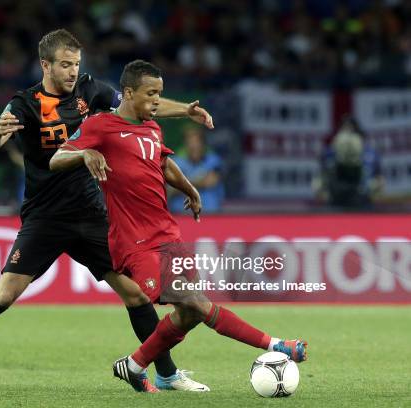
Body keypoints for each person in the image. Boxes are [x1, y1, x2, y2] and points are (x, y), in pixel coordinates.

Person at [0, 29, 214, 392]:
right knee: (5, 292)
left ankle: (167, 374)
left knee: (136, 295)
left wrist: (184, 110)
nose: (72, 71)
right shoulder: (25, 102)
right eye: (64, 64)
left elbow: (141, 102)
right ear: (45, 64)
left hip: (93, 214)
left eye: (75, 64)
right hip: (45, 217)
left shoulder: (92, 92)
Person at [50, 60, 307, 393]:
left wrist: (190, 189)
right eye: (151, 94)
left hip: (168, 234)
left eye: (160, 94)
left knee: (190, 313)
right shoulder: (101, 125)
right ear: (128, 93)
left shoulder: (153, 129)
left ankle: (133, 365)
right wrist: (83, 156)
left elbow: (163, 164)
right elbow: (57, 158)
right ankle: (274, 345)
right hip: (135, 242)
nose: (156, 101)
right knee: (194, 302)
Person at [168, 126, 224, 214]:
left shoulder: (213, 160)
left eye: (197, 142)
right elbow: (170, 189)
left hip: (210, 215)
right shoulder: (175, 162)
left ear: (203, 144)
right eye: (190, 142)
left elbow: (211, 181)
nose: (194, 146)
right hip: (181, 215)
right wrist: (200, 180)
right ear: (185, 145)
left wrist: (183, 183)